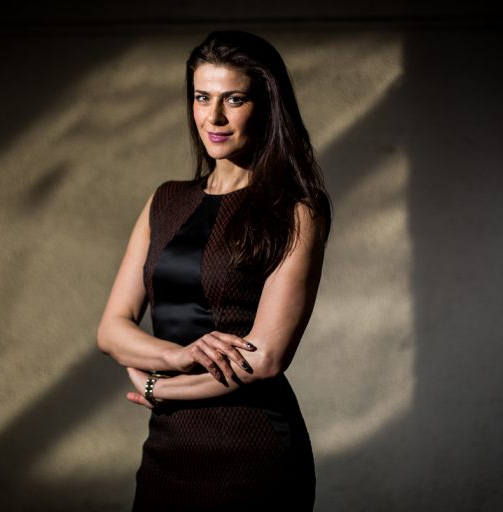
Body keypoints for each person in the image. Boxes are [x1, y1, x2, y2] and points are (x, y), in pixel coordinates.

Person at [96, 30, 331, 510]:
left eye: (234, 99)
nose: (214, 117)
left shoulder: (296, 210)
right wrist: (178, 357)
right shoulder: (165, 200)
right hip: (167, 448)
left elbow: (265, 359)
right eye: (202, 97)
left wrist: (160, 387)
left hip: (252, 449)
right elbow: (112, 329)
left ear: (266, 107)